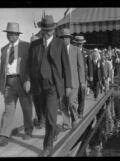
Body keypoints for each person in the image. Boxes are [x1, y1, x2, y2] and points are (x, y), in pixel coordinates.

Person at [28, 15, 72, 157]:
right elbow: (30, 65)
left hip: (53, 86)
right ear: (42, 29)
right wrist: (28, 80)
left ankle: (47, 147)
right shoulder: (34, 45)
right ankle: (55, 130)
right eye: (45, 30)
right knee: (45, 117)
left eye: (50, 30)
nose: (47, 32)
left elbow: (66, 66)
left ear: (53, 29)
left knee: (51, 116)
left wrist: (68, 85)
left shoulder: (60, 44)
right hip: (38, 86)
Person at [0, 22, 33, 146]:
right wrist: (1, 84)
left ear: (17, 34)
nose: (10, 35)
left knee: (26, 108)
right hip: (9, 83)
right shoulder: (4, 49)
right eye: (8, 33)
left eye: (13, 33)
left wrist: (29, 80)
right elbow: (2, 68)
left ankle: (28, 130)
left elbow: (32, 65)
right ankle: (4, 136)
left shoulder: (27, 46)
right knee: (8, 110)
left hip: (23, 81)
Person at [59, 29, 85, 129]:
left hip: (74, 81)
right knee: (63, 103)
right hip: (61, 82)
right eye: (62, 37)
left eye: (66, 37)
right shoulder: (58, 50)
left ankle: (74, 118)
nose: (64, 39)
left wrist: (82, 81)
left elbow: (81, 66)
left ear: (70, 38)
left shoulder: (76, 50)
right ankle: (66, 123)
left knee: (71, 102)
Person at [72, 35, 93, 119]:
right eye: (78, 43)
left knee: (82, 94)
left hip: (83, 77)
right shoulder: (72, 51)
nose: (80, 44)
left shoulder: (87, 52)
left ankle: (80, 112)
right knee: (73, 95)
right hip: (74, 76)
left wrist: (90, 75)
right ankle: (73, 113)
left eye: (81, 43)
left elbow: (90, 64)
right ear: (76, 43)